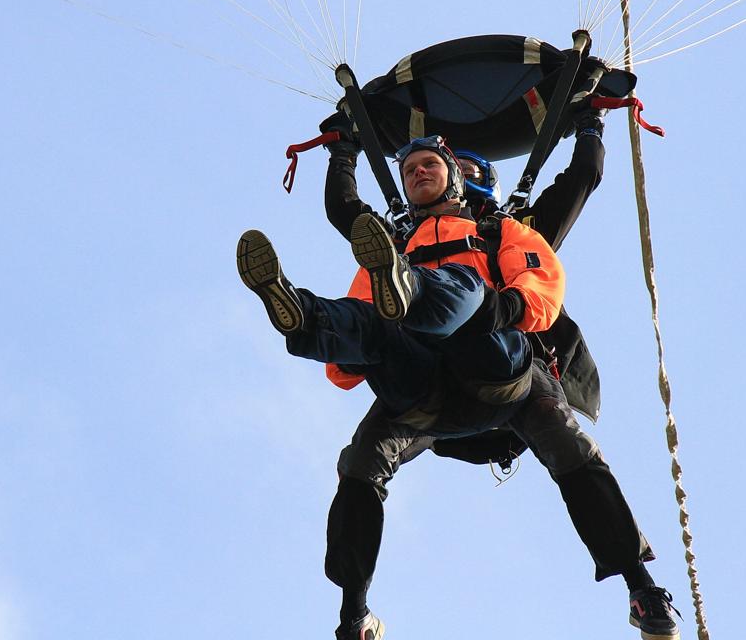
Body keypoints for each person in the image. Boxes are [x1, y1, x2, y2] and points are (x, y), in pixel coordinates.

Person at [239, 134, 679, 640]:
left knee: (562, 434)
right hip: (423, 388)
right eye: (409, 170)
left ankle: (641, 587)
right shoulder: (391, 252)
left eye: (429, 164)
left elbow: (543, 271)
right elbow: (347, 357)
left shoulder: (497, 231)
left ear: (455, 178)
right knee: (361, 458)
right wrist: (343, 149)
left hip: (493, 368)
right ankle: (304, 318)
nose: (418, 173)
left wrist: (590, 126)